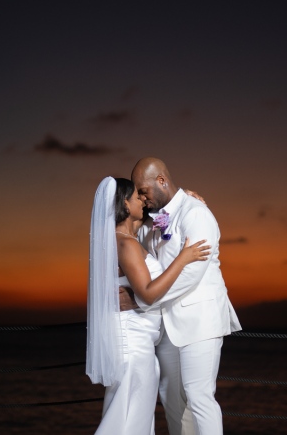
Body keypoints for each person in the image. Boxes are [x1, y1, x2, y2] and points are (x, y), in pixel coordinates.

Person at [122, 157, 242, 435]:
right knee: (171, 397)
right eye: (137, 194)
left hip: (199, 319)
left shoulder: (196, 213)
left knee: (199, 396)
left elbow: (191, 274)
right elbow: (143, 256)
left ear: (161, 181)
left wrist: (143, 299)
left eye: (143, 191)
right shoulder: (157, 218)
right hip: (168, 325)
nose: (141, 198)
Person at [87, 176, 211, 435]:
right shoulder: (126, 243)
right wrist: (184, 258)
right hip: (132, 343)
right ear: (124, 203)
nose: (143, 200)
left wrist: (184, 198)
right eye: (137, 197)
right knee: (127, 417)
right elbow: (147, 294)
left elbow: (163, 218)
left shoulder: (128, 236)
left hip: (139, 339)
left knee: (131, 414)